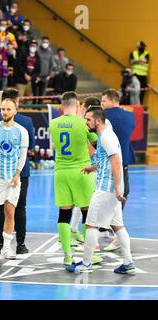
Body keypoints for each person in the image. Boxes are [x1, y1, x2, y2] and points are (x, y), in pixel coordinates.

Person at [67, 108, 135, 274]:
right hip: (111, 189)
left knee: (91, 224)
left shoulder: (106, 137)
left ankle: (86, 264)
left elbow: (117, 163)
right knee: (117, 225)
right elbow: (105, 159)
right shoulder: (104, 135)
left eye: (89, 119)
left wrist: (118, 188)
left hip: (107, 189)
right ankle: (128, 263)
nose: (86, 122)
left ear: (98, 120)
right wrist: (92, 168)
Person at [49, 91, 102, 266]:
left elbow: (55, 145)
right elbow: (97, 142)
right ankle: (90, 255)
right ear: (77, 104)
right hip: (82, 172)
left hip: (61, 173)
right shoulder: (83, 123)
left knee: (64, 214)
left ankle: (67, 255)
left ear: (61, 105)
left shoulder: (53, 123)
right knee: (89, 215)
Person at [0, 88, 35, 255]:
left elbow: (25, 151)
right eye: (3, 109)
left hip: (14, 176)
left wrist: (16, 174)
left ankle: (4, 245)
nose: (4, 111)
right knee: (10, 209)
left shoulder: (20, 128)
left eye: (8, 109)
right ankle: (16, 244)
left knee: (9, 210)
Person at [102, 89, 135, 209]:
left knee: (103, 192)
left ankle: (103, 223)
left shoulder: (103, 116)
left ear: (112, 100)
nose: (102, 104)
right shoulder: (130, 116)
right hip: (124, 160)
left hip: (106, 160)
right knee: (124, 191)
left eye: (104, 101)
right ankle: (117, 220)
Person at [35, 36, 53, 104]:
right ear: (42, 42)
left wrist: (49, 74)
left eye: (46, 42)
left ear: (49, 43)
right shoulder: (37, 50)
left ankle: (40, 106)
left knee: (42, 92)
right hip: (37, 75)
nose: (45, 43)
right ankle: (34, 106)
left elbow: (51, 64)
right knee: (35, 92)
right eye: (44, 42)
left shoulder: (50, 51)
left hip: (45, 76)